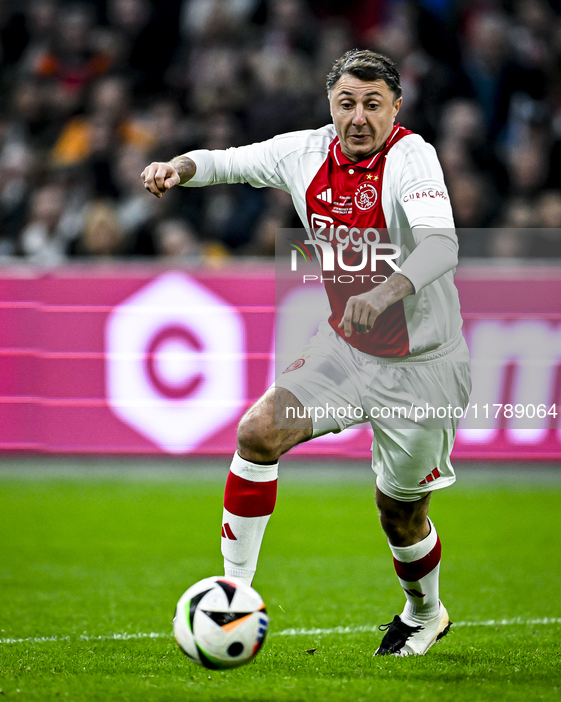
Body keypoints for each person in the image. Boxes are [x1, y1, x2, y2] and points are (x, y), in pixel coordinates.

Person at [141, 48, 471, 657]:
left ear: (395, 108)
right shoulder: (304, 152)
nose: (358, 117)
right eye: (347, 103)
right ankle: (233, 597)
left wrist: (388, 288)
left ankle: (425, 612)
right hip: (346, 350)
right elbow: (227, 162)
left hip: (423, 369)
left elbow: (440, 246)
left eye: (373, 104)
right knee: (257, 433)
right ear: (331, 106)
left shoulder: (412, 157)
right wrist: (177, 166)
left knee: (399, 513)